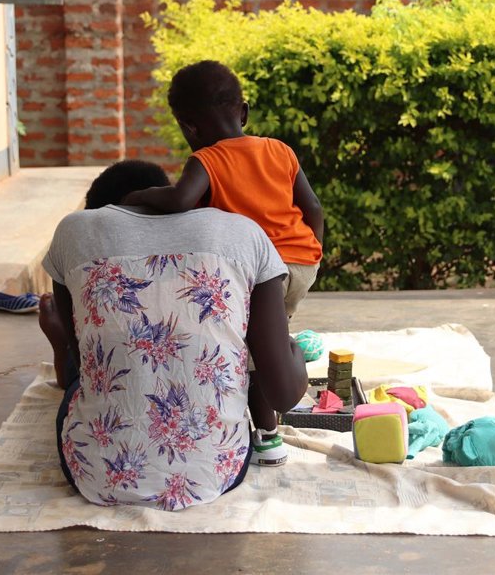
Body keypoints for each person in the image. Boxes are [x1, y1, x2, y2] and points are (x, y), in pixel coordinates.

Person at [38, 160, 308, 510]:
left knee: (86, 373)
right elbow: (284, 396)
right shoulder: (245, 232)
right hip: (215, 472)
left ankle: (61, 349)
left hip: (97, 476)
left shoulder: (75, 231)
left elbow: (86, 362)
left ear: (102, 213)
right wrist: (292, 350)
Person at [120, 60, 324, 464]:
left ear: (189, 127)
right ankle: (282, 350)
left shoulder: (208, 160)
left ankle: (267, 435)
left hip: (261, 277)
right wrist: (313, 251)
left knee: (252, 355)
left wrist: (138, 196)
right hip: (303, 263)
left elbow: (180, 200)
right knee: (263, 341)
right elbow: (313, 207)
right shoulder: (279, 150)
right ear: (243, 112)